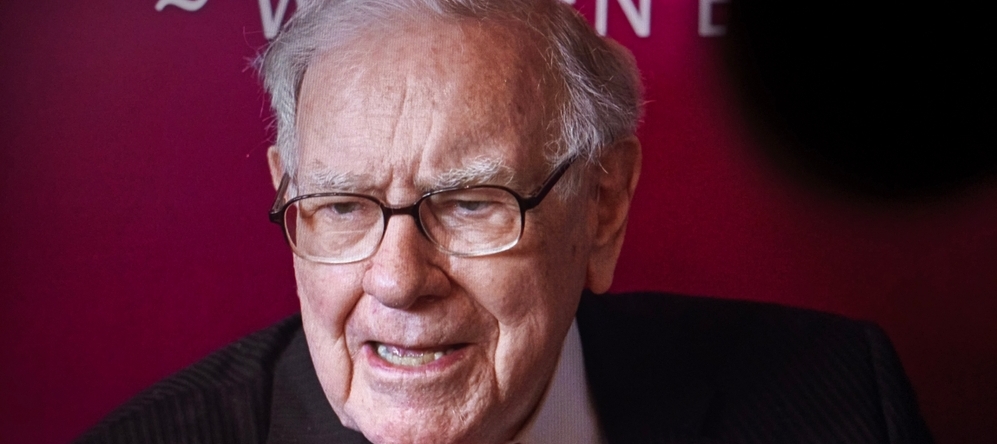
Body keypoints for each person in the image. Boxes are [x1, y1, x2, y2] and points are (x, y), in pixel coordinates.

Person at [77, 0, 933, 443]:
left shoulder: (841, 404)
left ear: (601, 208)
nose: (397, 280)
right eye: (342, 206)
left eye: (467, 203)